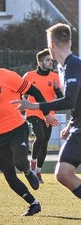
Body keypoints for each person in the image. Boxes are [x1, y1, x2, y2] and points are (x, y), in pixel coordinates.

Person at [0, 47, 48, 217]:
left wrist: (46, 113)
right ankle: (34, 204)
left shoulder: (8, 76)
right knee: (9, 176)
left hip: (16, 129)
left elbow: (34, 91)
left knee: (20, 161)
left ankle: (28, 171)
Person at [12, 24, 81, 203]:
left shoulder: (74, 65)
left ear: (51, 45)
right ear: (70, 42)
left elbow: (69, 101)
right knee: (63, 173)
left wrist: (33, 106)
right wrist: (71, 124)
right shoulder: (63, 68)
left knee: (63, 173)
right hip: (77, 127)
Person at [22, 49, 62, 182]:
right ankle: (33, 161)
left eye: (51, 60)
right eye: (47, 60)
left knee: (44, 142)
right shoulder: (29, 75)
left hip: (49, 113)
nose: (51, 62)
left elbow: (61, 98)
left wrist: (57, 89)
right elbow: (22, 94)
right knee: (40, 136)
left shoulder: (55, 77)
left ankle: (38, 171)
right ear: (40, 62)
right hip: (33, 112)